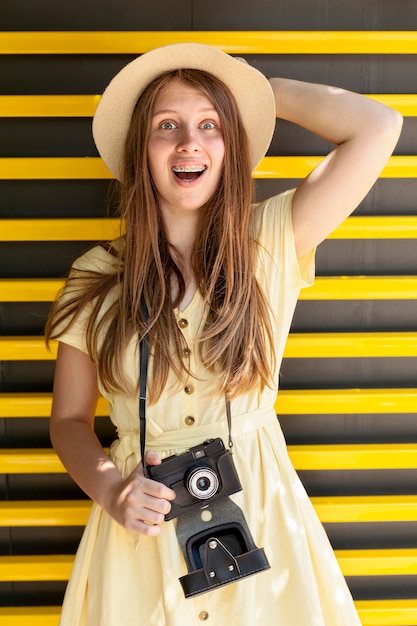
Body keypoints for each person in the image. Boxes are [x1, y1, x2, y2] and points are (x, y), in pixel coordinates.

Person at [45, 42, 402, 626]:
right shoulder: (96, 276)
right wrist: (112, 491)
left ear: (231, 145)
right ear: (141, 149)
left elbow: (378, 127)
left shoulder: (270, 240)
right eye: (168, 125)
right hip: (142, 535)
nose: (190, 141)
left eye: (210, 124)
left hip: (262, 522)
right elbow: (67, 420)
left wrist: (258, 96)